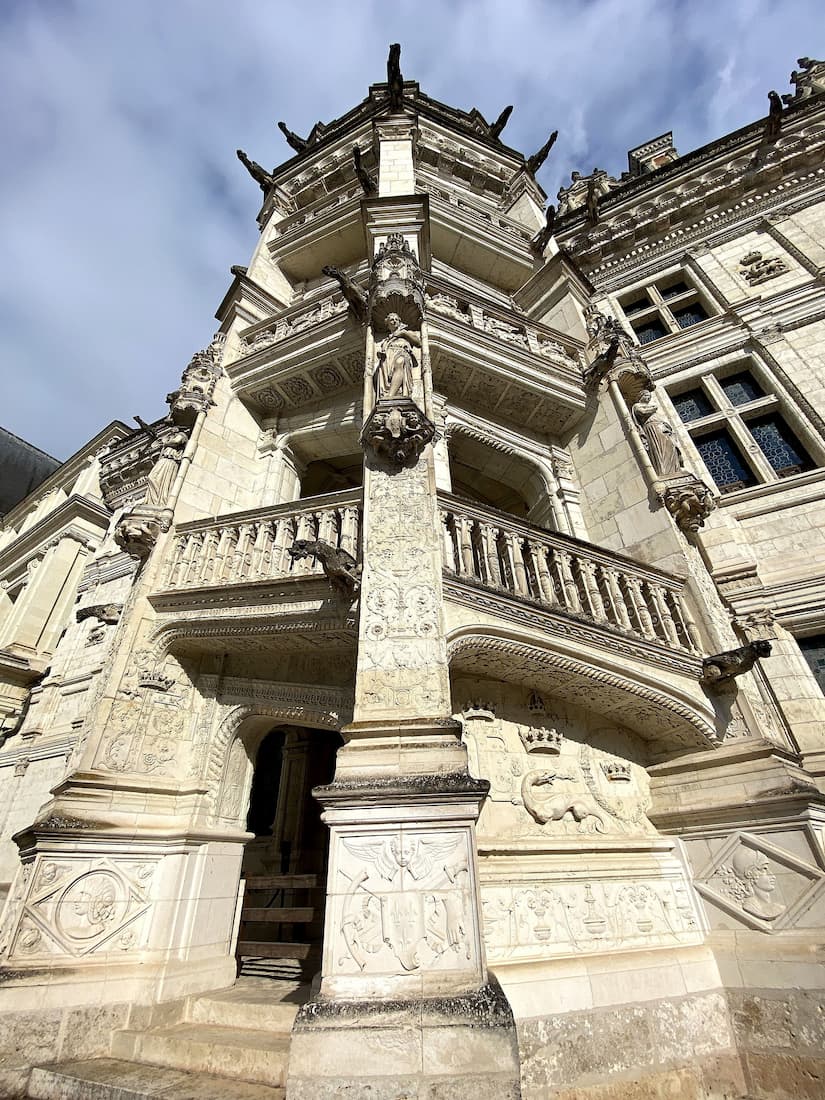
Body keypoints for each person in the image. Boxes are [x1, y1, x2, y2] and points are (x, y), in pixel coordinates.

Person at [374, 313, 421, 400]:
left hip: (401, 352)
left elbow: (418, 343)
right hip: (388, 357)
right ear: (388, 324)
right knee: (386, 377)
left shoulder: (406, 332)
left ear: (399, 322)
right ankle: (390, 392)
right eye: (392, 320)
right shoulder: (387, 339)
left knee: (400, 362)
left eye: (396, 319)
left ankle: (390, 395)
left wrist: (403, 333)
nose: (394, 321)